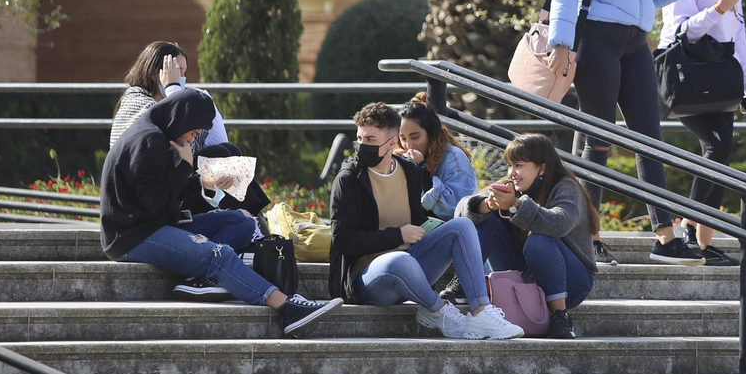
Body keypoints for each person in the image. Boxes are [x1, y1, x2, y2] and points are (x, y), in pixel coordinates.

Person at [546, 0, 697, 266]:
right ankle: (587, 235)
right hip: (596, 40)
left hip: (635, 43)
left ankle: (664, 238)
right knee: (598, 139)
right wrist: (560, 42)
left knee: (649, 137)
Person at [100, 89, 342, 337]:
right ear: (181, 119)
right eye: (193, 132)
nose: (193, 140)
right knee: (220, 255)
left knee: (241, 221)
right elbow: (155, 203)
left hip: (156, 223)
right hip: (133, 236)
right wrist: (185, 165)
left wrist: (202, 181)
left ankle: (198, 278)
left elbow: (161, 194)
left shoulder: (159, 133)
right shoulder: (148, 141)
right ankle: (286, 306)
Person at [328, 101, 524, 340]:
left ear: (391, 143)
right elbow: (342, 240)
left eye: (369, 140)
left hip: (413, 269)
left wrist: (430, 230)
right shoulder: (348, 179)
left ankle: (481, 312)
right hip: (369, 280)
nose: (361, 145)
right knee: (399, 260)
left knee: (462, 225)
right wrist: (398, 235)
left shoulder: (410, 171)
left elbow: (420, 218)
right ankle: (437, 310)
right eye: (360, 138)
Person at [109, 42, 270, 301]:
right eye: (175, 72)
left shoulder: (165, 102)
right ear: (156, 73)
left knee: (229, 153)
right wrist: (175, 93)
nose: (181, 79)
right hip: (144, 208)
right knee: (222, 157)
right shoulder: (136, 101)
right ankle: (255, 230)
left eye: (184, 72)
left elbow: (200, 143)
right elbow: (168, 145)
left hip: (171, 188)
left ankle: (253, 222)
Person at [658, 0, 746, 266]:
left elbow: (740, 39)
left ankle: (702, 241)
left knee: (721, 152)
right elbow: (679, 30)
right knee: (718, 148)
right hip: (687, 74)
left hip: (720, 74)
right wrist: (718, 9)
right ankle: (690, 226)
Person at [458, 133, 600, 340]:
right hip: (526, 274)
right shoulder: (510, 185)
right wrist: (487, 205)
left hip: (572, 281)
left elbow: (558, 224)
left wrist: (516, 205)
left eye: (518, 165)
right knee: (484, 221)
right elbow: (461, 209)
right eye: (509, 165)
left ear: (541, 168)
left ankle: (560, 316)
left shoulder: (567, 187)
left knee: (539, 239)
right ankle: (462, 284)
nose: (512, 172)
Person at [399, 99, 480, 220]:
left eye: (415, 137)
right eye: (403, 139)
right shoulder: (400, 157)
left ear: (431, 135)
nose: (409, 145)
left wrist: (421, 169)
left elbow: (455, 211)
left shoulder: (454, 157)